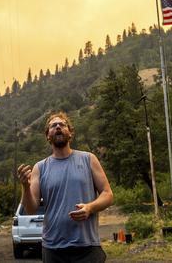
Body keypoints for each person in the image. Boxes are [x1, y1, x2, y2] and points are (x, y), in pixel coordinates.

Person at [17, 112, 113, 263]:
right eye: (53, 126)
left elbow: (108, 194)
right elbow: (30, 209)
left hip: (87, 248)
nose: (57, 127)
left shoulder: (89, 159)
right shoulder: (40, 168)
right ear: (48, 135)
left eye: (62, 124)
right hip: (53, 250)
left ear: (70, 133)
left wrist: (90, 207)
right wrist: (25, 186)